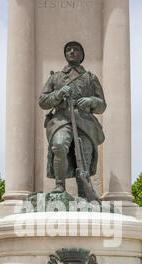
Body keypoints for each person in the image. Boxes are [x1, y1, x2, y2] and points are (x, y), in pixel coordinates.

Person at [38, 41, 106, 198]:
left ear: (82, 55)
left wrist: (91, 101)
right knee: (59, 146)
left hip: (85, 122)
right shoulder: (56, 77)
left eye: (76, 50)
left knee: (85, 155)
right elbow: (42, 101)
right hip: (62, 119)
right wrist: (59, 93)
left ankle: (84, 192)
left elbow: (102, 105)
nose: (72, 52)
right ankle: (59, 187)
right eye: (69, 50)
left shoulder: (90, 78)